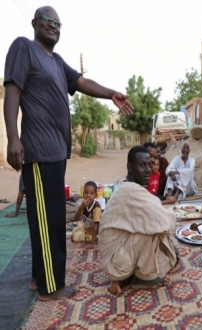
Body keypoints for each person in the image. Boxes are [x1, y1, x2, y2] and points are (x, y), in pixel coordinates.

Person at [3, 6, 134, 301]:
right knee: (49, 221)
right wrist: (13, 137)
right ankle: (52, 287)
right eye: (47, 21)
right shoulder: (24, 48)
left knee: (44, 218)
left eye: (58, 23)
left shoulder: (57, 61)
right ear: (35, 23)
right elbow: (12, 91)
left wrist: (111, 92)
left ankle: (39, 277)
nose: (53, 26)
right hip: (38, 151)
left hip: (56, 152)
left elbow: (80, 82)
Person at [99, 146, 178, 296]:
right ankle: (142, 278)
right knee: (153, 226)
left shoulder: (128, 187)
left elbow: (153, 205)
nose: (148, 169)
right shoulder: (130, 191)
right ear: (130, 167)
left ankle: (126, 278)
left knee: (149, 222)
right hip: (116, 264)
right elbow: (164, 221)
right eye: (142, 165)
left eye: (150, 164)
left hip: (116, 258)